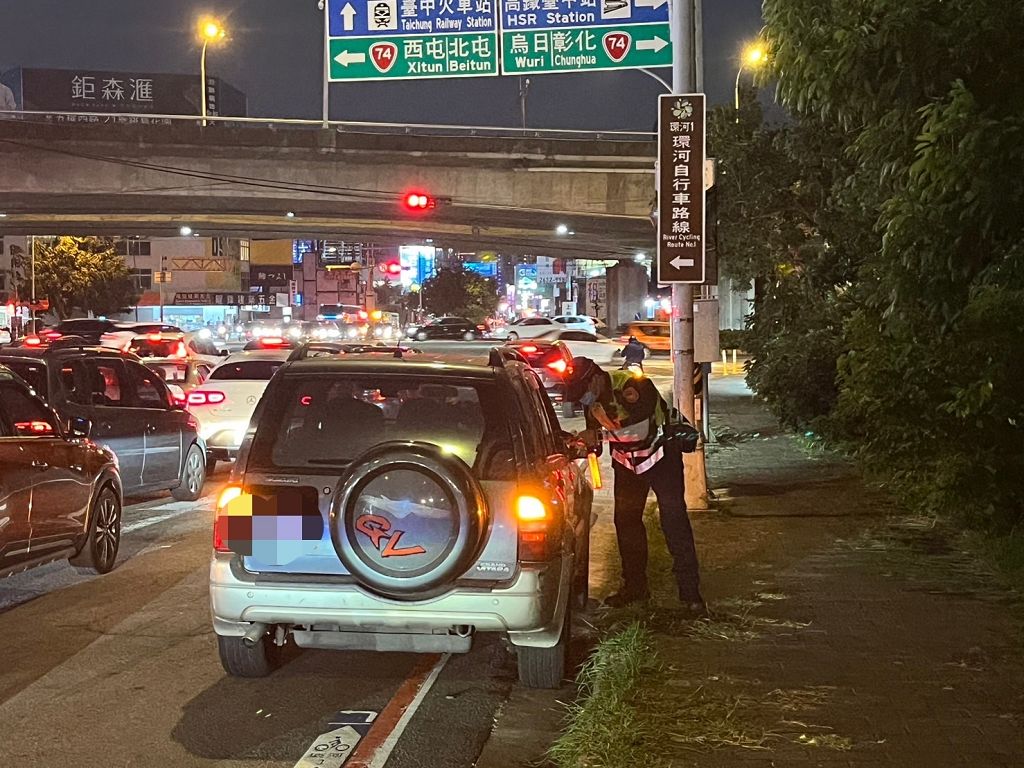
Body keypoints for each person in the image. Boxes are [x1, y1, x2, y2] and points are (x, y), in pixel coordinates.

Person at [565, 357, 705, 614]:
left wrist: (597, 436)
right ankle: (635, 587)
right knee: (626, 522)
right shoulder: (592, 403)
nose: (582, 399)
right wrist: (579, 445)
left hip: (662, 458)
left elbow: (641, 430)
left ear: (595, 378)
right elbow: (596, 441)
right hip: (628, 465)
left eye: (582, 392)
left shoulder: (633, 385)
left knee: (673, 521)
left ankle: (690, 594)